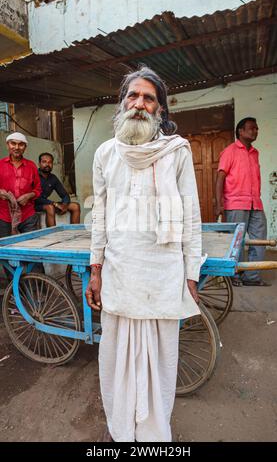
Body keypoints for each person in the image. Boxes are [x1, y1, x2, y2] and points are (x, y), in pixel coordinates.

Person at [85, 66, 202, 442]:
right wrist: (96, 268)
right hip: (120, 271)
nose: (139, 103)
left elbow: (191, 215)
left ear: (160, 111)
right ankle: (122, 432)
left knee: (160, 362)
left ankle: (153, 436)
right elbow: (99, 216)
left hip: (163, 272)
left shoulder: (176, 151)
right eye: (132, 96)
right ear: (121, 105)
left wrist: (192, 274)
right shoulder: (105, 153)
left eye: (148, 98)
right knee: (116, 359)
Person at [215, 117, 269, 287]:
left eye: (257, 128)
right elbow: (220, 178)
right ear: (241, 131)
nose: (255, 131)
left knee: (260, 240)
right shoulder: (229, 151)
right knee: (236, 243)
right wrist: (219, 204)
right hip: (235, 203)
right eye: (252, 128)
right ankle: (235, 276)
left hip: (255, 203)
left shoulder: (255, 153)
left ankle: (252, 277)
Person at [0, 132, 41, 237]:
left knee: (30, 246)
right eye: (13, 143)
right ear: (7, 145)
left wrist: (29, 195)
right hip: (4, 216)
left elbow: (38, 189)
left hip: (27, 216)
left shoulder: (31, 166)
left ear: (25, 147)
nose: (17, 147)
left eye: (21, 144)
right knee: (5, 248)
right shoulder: (0, 164)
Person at [35, 152, 80, 227]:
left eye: (50, 162)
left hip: (48, 203)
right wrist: (55, 204)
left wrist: (64, 205)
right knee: (50, 207)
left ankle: (74, 232)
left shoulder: (53, 178)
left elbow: (65, 195)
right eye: (44, 162)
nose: (47, 164)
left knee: (75, 206)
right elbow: (36, 198)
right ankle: (53, 236)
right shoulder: (34, 175)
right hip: (34, 205)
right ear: (39, 164)